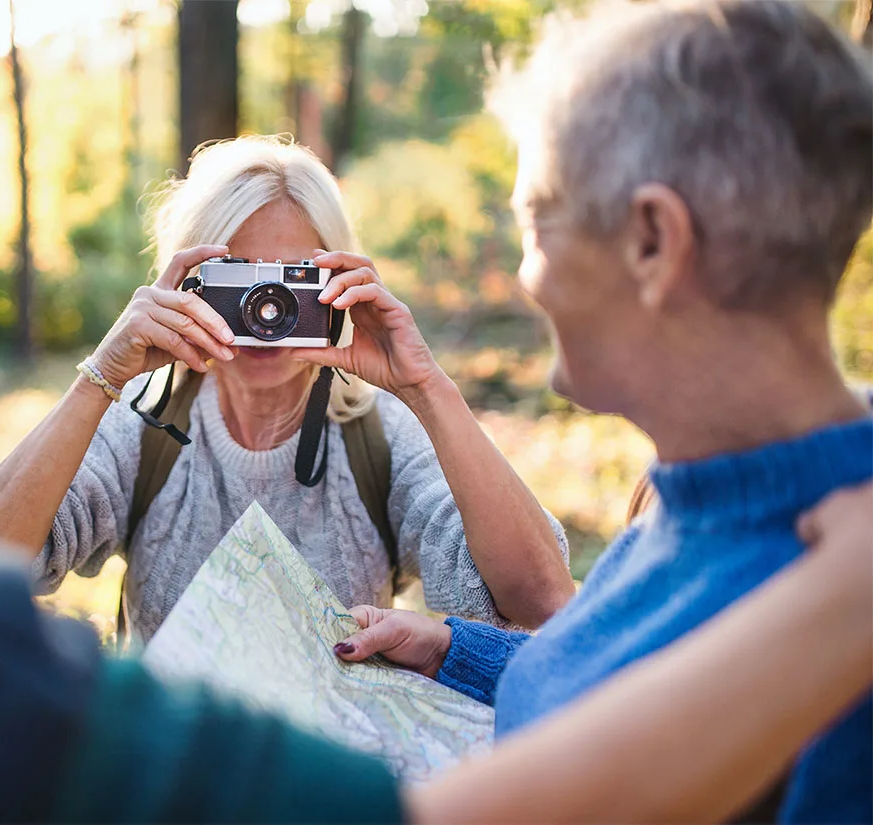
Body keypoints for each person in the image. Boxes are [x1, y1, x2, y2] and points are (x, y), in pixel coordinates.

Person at [0, 1, 871, 822]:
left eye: (538, 225)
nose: (525, 274)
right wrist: (101, 377)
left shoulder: (396, 442)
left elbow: (563, 620)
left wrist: (450, 584)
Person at [333, 2, 873, 821]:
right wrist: (461, 650)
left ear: (653, 241)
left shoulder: (836, 600)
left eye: (537, 226)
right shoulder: (696, 488)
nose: (528, 276)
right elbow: (649, 682)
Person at [0, 136, 574, 643]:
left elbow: (539, 601)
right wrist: (101, 379)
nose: (267, 311)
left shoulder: (379, 435)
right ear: (185, 283)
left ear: (340, 278)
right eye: (239, 280)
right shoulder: (144, 427)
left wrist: (426, 387)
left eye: (292, 280)